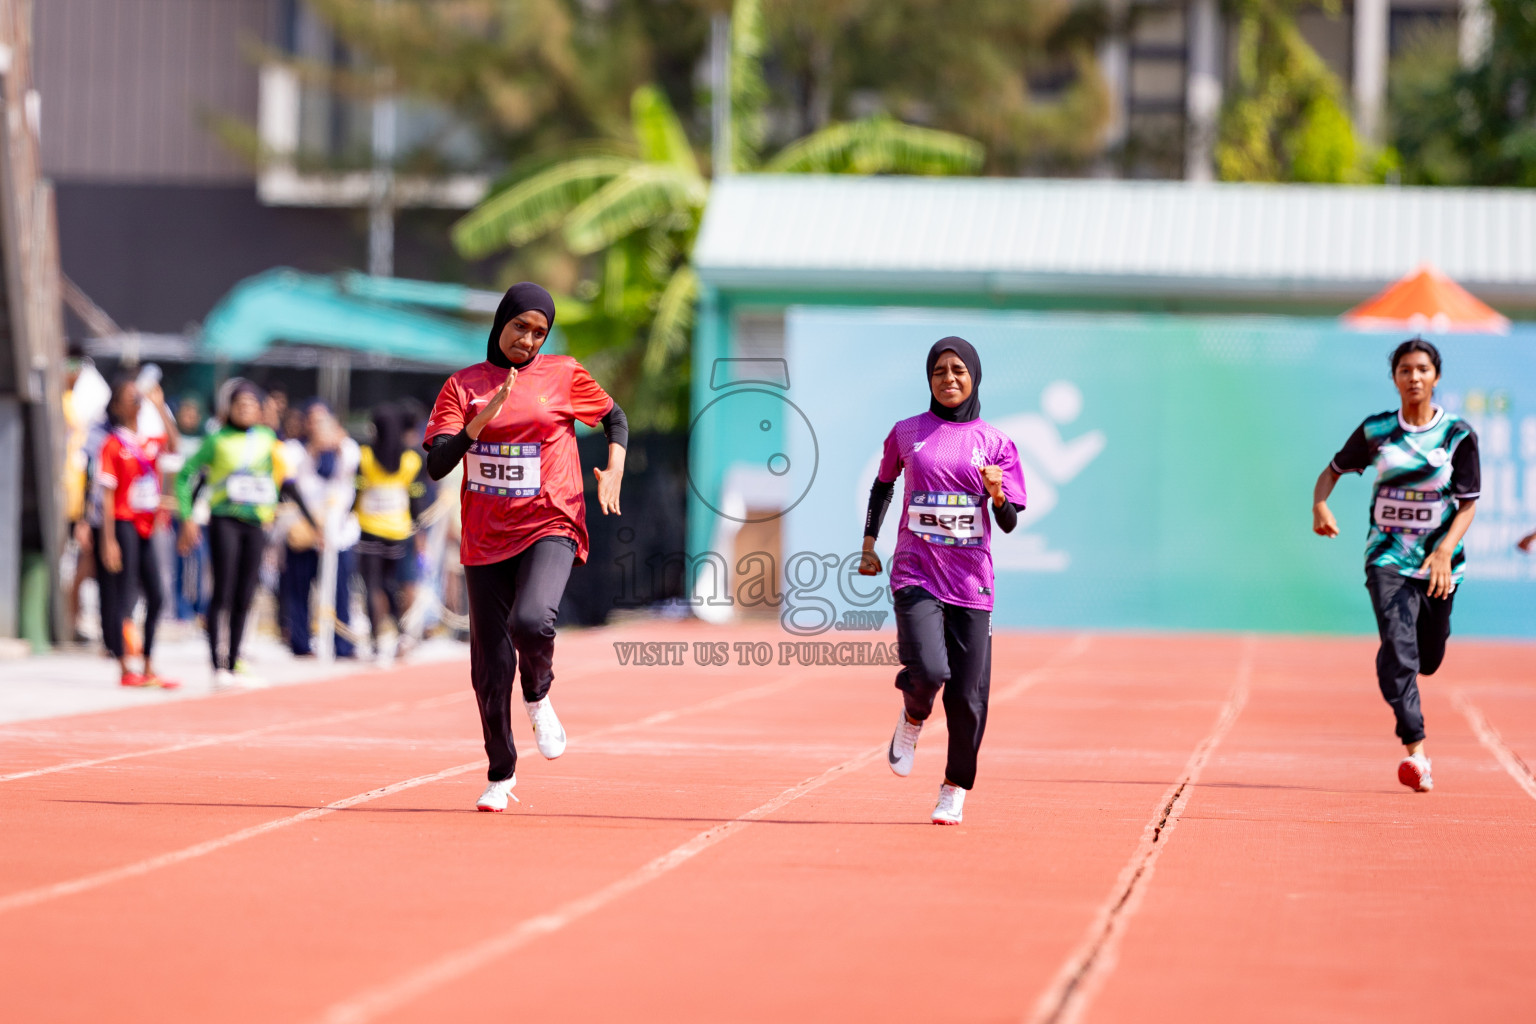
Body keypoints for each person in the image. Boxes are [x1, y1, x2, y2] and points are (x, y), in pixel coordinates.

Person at [423, 283, 628, 812]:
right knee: (489, 670)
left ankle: (538, 693)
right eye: (521, 327)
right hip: (485, 537)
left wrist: (615, 469)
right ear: (501, 322)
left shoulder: (563, 374)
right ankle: (501, 773)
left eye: (540, 332)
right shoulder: (462, 386)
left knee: (533, 621)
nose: (529, 340)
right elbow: (438, 463)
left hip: (550, 518)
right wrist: (477, 424)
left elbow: (615, 417)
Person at [859, 338, 1027, 825]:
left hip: (971, 584)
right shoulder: (908, 432)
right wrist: (869, 544)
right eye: (939, 371)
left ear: (974, 376)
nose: (948, 379)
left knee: (969, 700)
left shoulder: (995, 444)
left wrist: (997, 494)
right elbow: (883, 484)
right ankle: (913, 717)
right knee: (930, 671)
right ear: (928, 379)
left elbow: (1010, 521)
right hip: (916, 573)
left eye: (958, 370)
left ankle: (954, 787)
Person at [1313, 338, 1480, 794]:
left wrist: (1444, 551)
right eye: (1405, 369)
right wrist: (1320, 506)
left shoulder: (1458, 436)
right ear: (1395, 378)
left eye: (1422, 369)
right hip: (1386, 557)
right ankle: (1418, 755)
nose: (1414, 377)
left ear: (1436, 377)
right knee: (1399, 647)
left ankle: (1397, 659)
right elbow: (1330, 471)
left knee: (1427, 658)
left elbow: (1467, 505)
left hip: (1440, 565)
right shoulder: (1377, 431)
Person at [175, 379, 293, 688]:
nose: (246, 410)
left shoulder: (268, 439)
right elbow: (186, 475)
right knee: (223, 591)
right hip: (224, 518)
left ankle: (236, 659)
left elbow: (280, 477)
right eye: (240, 406)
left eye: (252, 406)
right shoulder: (217, 440)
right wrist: (187, 516)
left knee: (246, 593)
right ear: (230, 409)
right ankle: (218, 665)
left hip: (255, 522)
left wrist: (271, 508)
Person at [96, 375, 181, 688]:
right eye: (129, 396)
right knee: (124, 593)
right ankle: (123, 665)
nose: (136, 400)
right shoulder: (113, 444)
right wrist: (107, 540)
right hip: (122, 523)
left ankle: (148, 663)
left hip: (147, 524)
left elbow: (174, 445)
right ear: (117, 405)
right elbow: (105, 495)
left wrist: (160, 408)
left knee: (157, 596)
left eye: (138, 396)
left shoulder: (147, 441)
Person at [278, 402, 360, 659]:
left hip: (337, 531)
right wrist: (313, 448)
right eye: (312, 421)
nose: (317, 427)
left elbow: (349, 472)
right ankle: (301, 642)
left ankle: (343, 643)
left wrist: (335, 444)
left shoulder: (346, 448)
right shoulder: (294, 449)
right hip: (304, 528)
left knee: (340, 589)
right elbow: (292, 479)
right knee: (299, 587)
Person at [355, 403, 421, 664]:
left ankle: (375, 641)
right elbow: (416, 496)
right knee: (390, 583)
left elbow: (357, 489)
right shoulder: (410, 460)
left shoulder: (365, 456)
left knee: (370, 585)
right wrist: (416, 522)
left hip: (369, 526)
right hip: (397, 528)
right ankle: (401, 633)